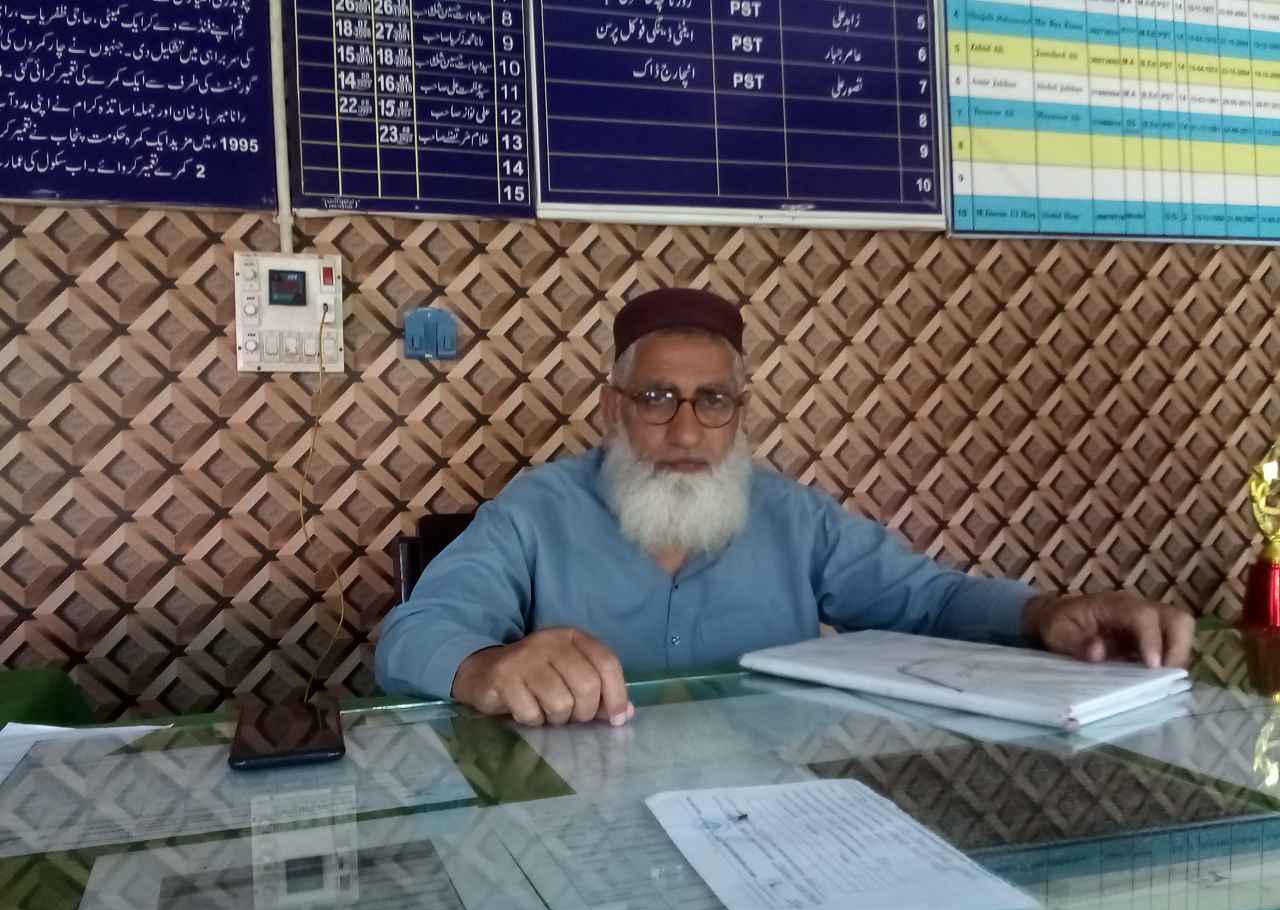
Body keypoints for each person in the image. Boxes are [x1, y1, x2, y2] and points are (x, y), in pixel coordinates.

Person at [376, 288, 1194, 727]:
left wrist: (1045, 612)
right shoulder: (538, 510)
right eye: (656, 398)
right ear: (612, 408)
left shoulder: (793, 518)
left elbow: (932, 599)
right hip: (583, 814)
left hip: (774, 809)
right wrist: (481, 667)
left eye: (714, 401)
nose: (686, 430)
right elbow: (414, 633)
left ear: (741, 412)